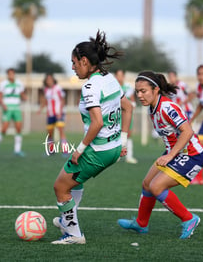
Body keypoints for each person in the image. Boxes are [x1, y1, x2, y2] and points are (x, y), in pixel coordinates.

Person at [51, 30, 133, 244]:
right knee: (73, 181)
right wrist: (122, 141)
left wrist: (79, 150)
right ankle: (67, 220)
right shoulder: (110, 79)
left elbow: (96, 123)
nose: (73, 67)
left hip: (98, 150)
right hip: (113, 148)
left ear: (85, 61)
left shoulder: (90, 86)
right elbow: (128, 107)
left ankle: (74, 234)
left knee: (60, 186)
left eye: (74, 62)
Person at [118, 71, 203, 239]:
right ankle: (141, 224)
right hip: (174, 153)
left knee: (156, 187)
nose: (140, 95)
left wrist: (170, 155)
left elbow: (187, 132)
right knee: (147, 184)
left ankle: (189, 219)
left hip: (191, 155)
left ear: (156, 89)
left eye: (143, 91)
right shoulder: (153, 108)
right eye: (137, 91)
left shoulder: (167, 107)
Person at [0, 68, 27, 156]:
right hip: (7, 108)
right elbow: (0, 97)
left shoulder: (19, 84)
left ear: (14, 74)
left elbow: (22, 94)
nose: (11, 75)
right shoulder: (3, 84)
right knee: (4, 129)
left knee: (18, 128)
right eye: (9, 74)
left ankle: (17, 150)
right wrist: (3, 105)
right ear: (7, 75)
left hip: (17, 108)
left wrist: (24, 97)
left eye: (12, 74)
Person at [38, 73, 68, 155]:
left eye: (50, 79)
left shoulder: (57, 88)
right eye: (47, 80)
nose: (49, 81)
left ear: (53, 80)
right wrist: (40, 109)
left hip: (58, 114)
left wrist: (60, 111)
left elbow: (62, 100)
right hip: (50, 115)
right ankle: (51, 151)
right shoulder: (46, 90)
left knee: (61, 132)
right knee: (50, 134)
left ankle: (65, 151)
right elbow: (45, 101)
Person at [115, 69, 138, 164]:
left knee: (128, 134)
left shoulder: (128, 87)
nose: (119, 77)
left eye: (121, 75)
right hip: (116, 115)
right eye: (117, 75)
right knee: (115, 135)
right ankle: (115, 156)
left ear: (123, 76)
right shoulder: (113, 87)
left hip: (126, 115)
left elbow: (133, 102)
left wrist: (128, 106)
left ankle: (129, 156)